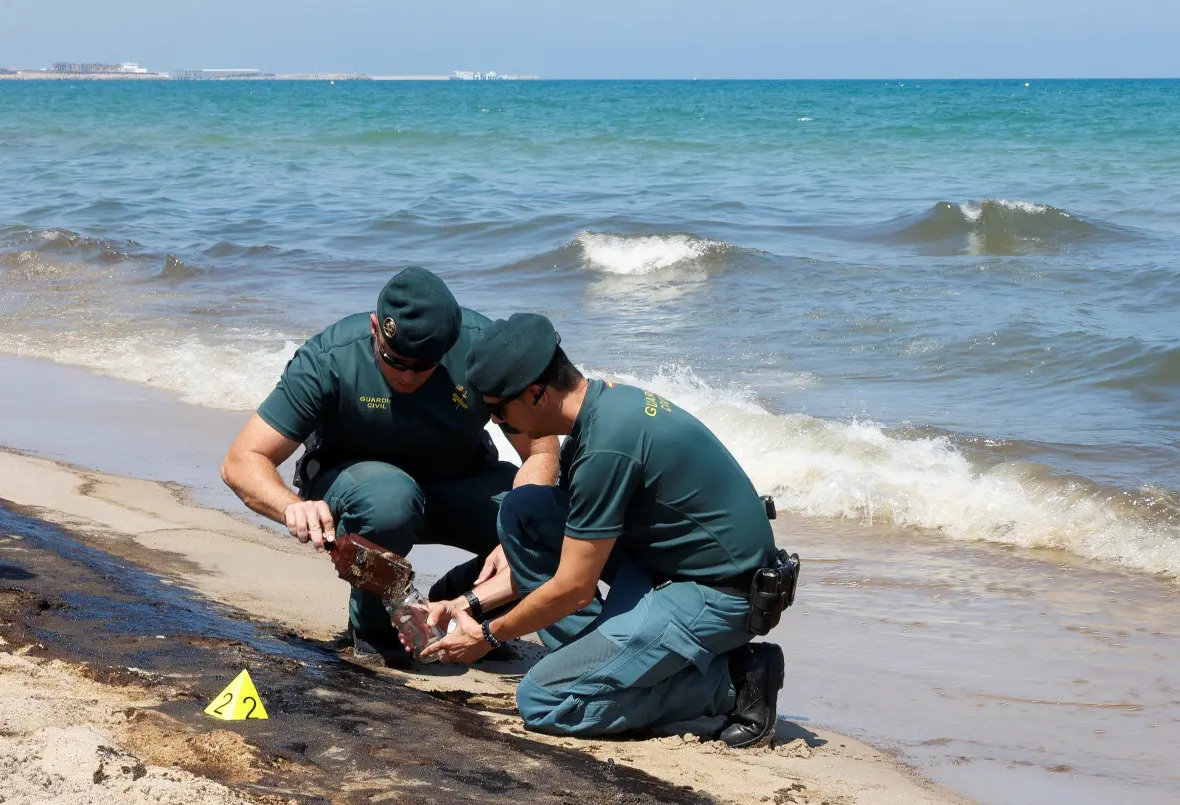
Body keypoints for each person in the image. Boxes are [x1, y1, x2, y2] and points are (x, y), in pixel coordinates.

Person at [419, 313, 793, 748]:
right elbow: (568, 563)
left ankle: (735, 680)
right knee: (524, 510)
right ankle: (594, 660)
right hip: (664, 565)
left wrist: (488, 635)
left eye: (498, 411)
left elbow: (574, 588)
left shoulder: (607, 447)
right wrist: (464, 603)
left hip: (720, 595)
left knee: (542, 699)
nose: (496, 424)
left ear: (536, 393)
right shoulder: (599, 410)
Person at [220, 268, 559, 666]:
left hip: (457, 482)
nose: (407, 375)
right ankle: (374, 629)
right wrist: (291, 505)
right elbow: (242, 461)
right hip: (361, 494)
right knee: (390, 497)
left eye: (424, 366)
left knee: (545, 516)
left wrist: (517, 533)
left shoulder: (484, 351)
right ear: (375, 328)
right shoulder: (331, 358)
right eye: (394, 360)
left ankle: (467, 608)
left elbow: (541, 447)